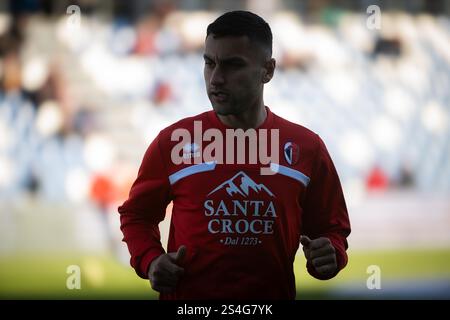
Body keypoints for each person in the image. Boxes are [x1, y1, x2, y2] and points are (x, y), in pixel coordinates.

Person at [118, 11, 351, 300]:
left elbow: (332, 229)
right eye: (209, 63)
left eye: (232, 65)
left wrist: (331, 253)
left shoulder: (306, 148)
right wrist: (151, 259)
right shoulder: (174, 143)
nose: (216, 78)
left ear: (268, 70)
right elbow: (136, 214)